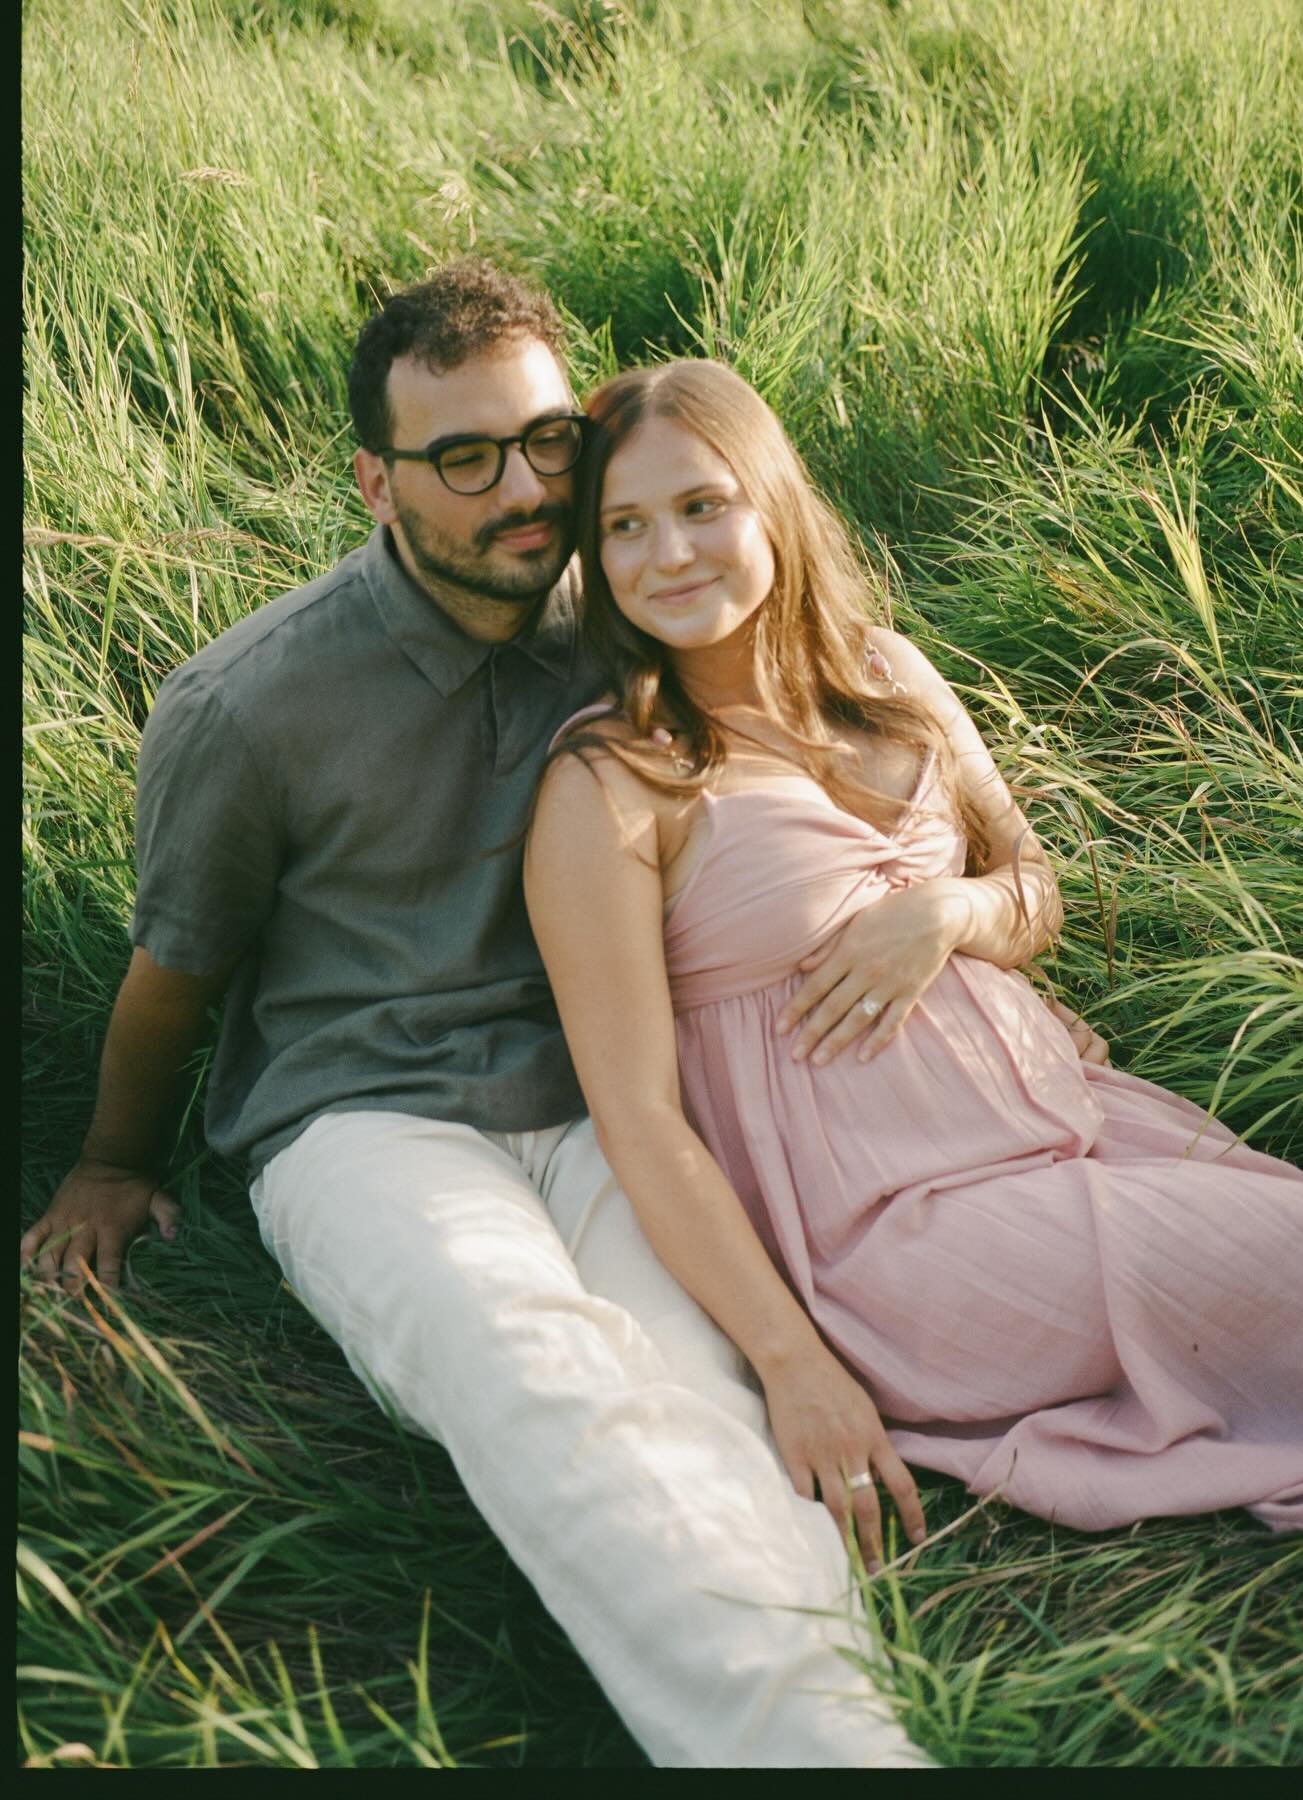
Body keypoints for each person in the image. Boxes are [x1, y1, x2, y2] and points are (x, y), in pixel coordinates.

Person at [19, 255, 1113, 1768]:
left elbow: (833, 739)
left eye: (544, 443)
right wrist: (113, 1159)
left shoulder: (621, 610)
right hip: (365, 1118)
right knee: (535, 1372)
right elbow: (173, 970)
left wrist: (968, 912)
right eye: (462, 459)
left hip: (605, 1101)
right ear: (376, 482)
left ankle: (822, 1698)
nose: (520, 488)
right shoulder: (250, 705)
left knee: (707, 1388)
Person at [524, 358, 1303, 1548]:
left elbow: (1034, 888)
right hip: (895, 1237)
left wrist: (946, 916)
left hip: (1070, 1120)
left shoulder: (889, 671)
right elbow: (638, 1121)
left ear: (772, 498)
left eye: (702, 506)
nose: (670, 555)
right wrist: (792, 1365)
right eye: (624, 527)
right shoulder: (611, 786)